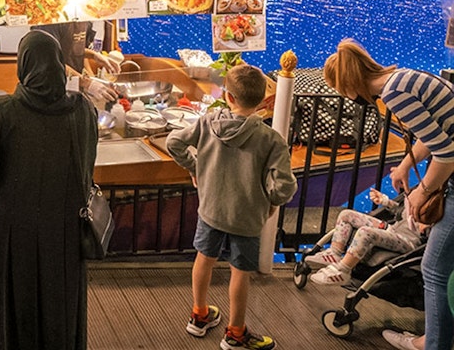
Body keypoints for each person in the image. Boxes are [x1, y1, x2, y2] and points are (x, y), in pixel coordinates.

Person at [0, 29, 98, 350]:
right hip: (65, 225)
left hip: (13, 226)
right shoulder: (82, 109)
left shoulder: (2, 112)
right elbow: (88, 159)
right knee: (60, 294)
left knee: (13, 292)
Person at [324, 39, 454, 350]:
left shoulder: (394, 95)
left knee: (434, 269)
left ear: (349, 84)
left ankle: (433, 344)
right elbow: (439, 135)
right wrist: (405, 165)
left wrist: (422, 192)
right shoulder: (403, 78)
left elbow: (447, 153)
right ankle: (435, 338)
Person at [166, 64, 296, 350]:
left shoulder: (207, 123)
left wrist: (195, 167)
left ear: (228, 96)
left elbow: (174, 142)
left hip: (210, 210)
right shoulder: (271, 139)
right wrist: (272, 202)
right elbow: (285, 185)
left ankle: (199, 315)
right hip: (246, 216)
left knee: (204, 258)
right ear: (263, 101)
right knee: (240, 272)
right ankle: (235, 334)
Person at [305, 187, 423, 285]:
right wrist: (385, 202)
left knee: (365, 232)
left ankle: (343, 271)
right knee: (346, 215)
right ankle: (334, 253)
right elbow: (400, 212)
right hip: (392, 229)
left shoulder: (436, 203)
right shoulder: (421, 191)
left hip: (408, 241)